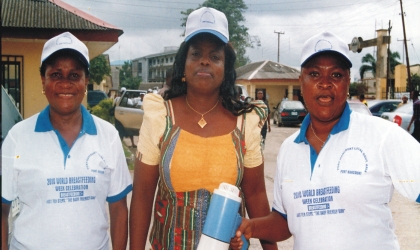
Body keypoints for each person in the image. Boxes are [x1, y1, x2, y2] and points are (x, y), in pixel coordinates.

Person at [232, 31, 420, 249]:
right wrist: (251, 227)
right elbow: (286, 222)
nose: (325, 83)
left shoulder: (383, 136)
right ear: (301, 82)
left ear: (348, 82)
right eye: (314, 74)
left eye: (336, 75)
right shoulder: (288, 149)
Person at [130, 7, 277, 250]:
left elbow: (256, 196)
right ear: (184, 63)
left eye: (215, 56)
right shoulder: (160, 116)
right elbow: (143, 196)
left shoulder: (245, 121)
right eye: (196, 53)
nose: (205, 61)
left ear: (226, 67)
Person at [1, 32, 132, 250]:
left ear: (86, 81)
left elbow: (118, 209)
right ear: (43, 80)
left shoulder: (108, 136)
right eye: (56, 75)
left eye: (74, 75)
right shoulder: (18, 137)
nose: (65, 83)